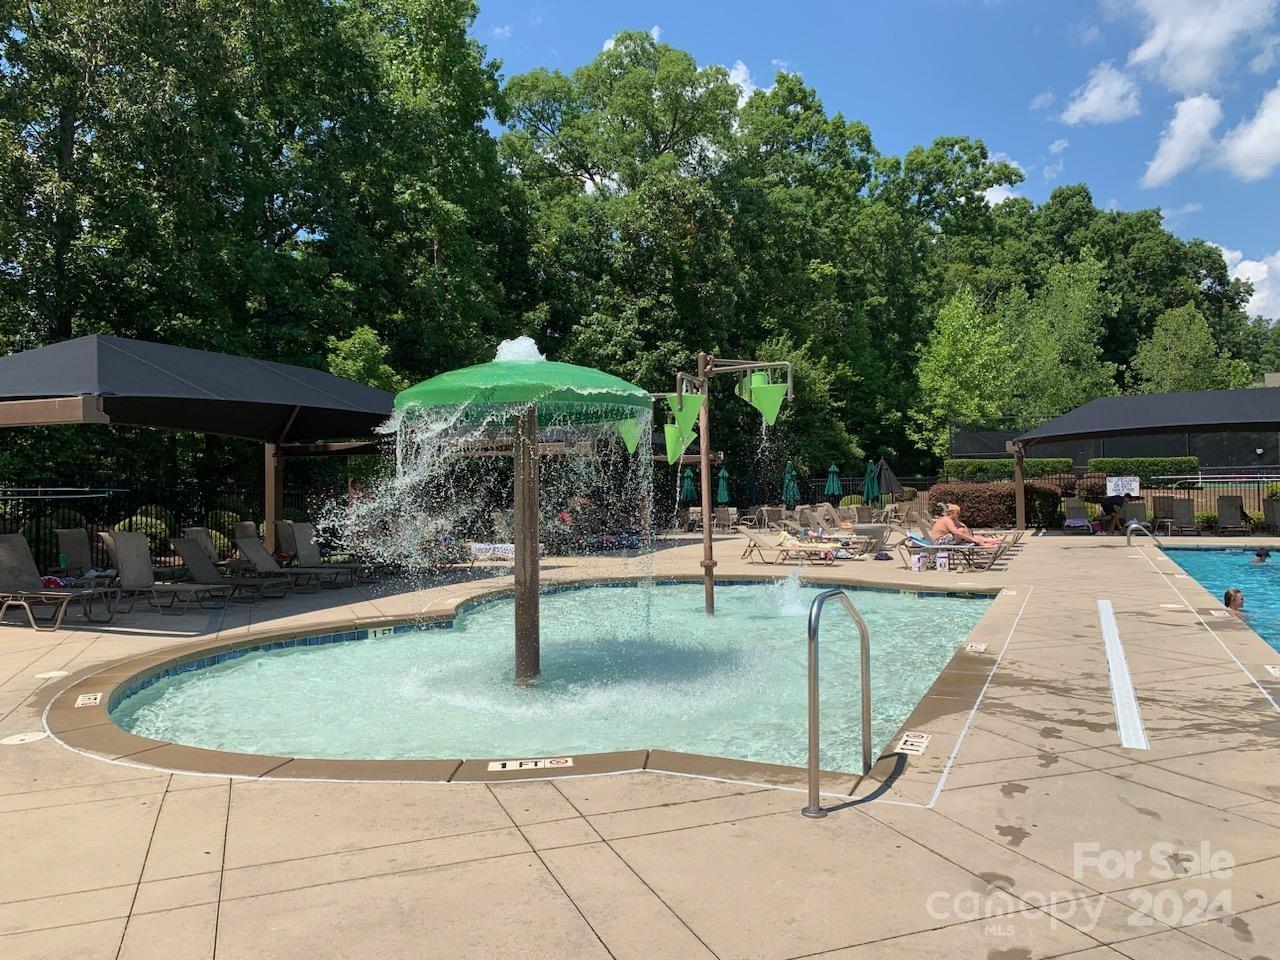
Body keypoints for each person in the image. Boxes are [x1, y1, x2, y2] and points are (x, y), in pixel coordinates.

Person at [930, 503, 1002, 547]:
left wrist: (971, 536)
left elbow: (963, 527)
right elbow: (956, 532)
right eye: (957, 513)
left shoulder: (951, 519)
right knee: (961, 531)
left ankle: (993, 540)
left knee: (966, 533)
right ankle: (982, 543)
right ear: (951, 513)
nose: (958, 515)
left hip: (943, 540)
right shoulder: (947, 519)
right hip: (938, 542)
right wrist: (973, 539)